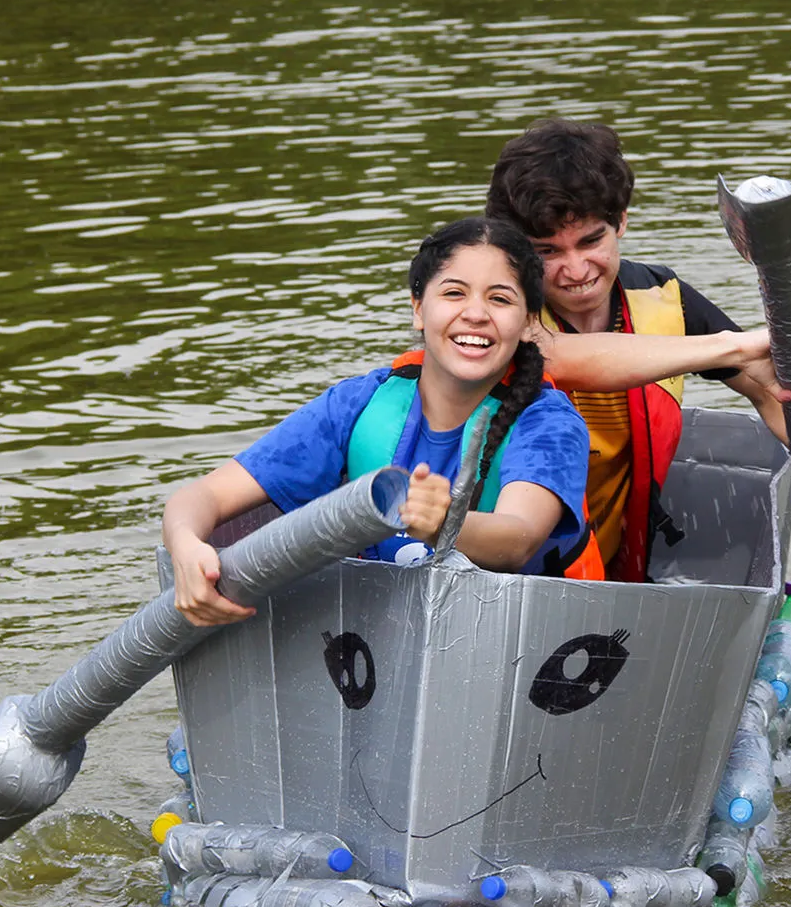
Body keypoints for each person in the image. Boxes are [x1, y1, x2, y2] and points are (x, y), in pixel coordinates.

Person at [485, 118, 791, 599]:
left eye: (591, 241)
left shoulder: (660, 295)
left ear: (622, 222)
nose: (575, 270)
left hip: (607, 574)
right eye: (547, 252)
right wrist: (734, 344)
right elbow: (556, 357)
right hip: (498, 575)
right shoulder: (497, 302)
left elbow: (779, 392)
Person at [163, 216, 595, 627]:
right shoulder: (357, 403)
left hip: (525, 648)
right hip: (385, 639)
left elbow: (518, 540)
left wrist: (444, 521)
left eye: (500, 299)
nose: (476, 314)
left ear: (527, 323)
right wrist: (184, 545)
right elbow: (202, 497)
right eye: (453, 293)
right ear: (418, 309)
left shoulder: (550, 423)